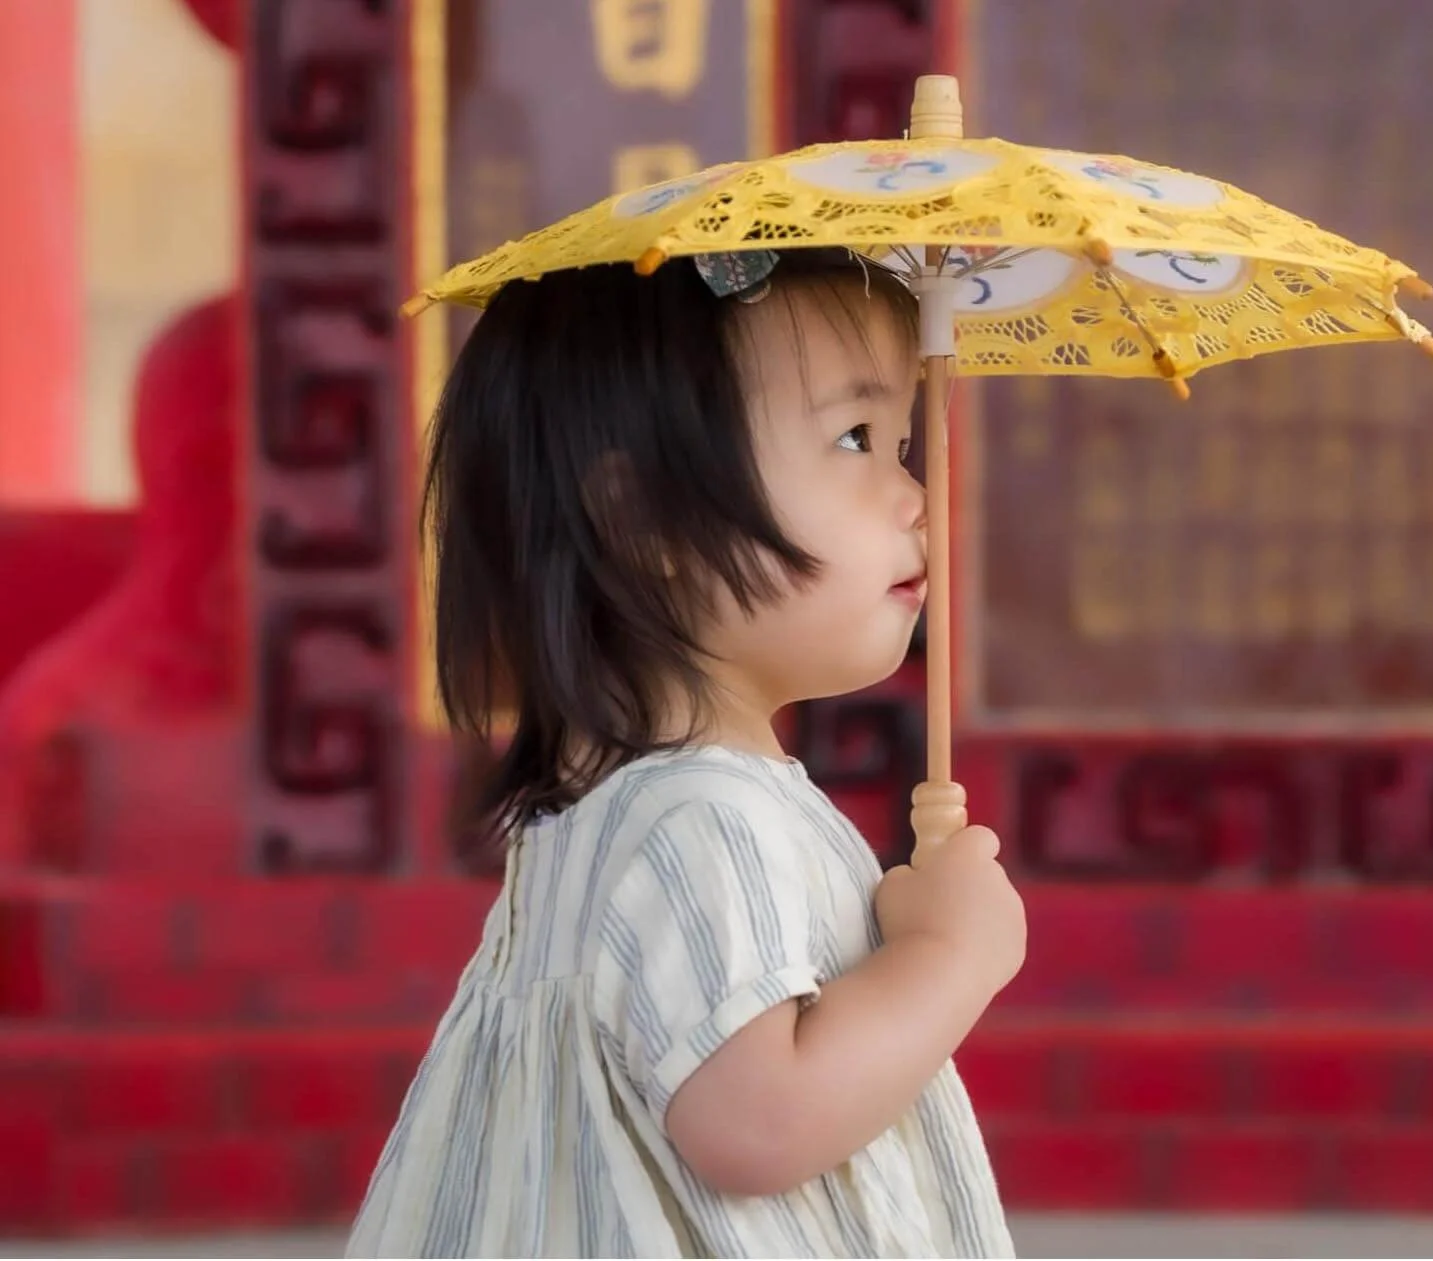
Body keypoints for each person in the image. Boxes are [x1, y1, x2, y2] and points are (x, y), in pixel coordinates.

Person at [347, 246, 1025, 1258]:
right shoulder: (699, 818)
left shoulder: (619, 804)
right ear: (643, 518)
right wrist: (952, 954)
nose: (912, 492)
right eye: (855, 437)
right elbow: (757, 1120)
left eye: (900, 440)